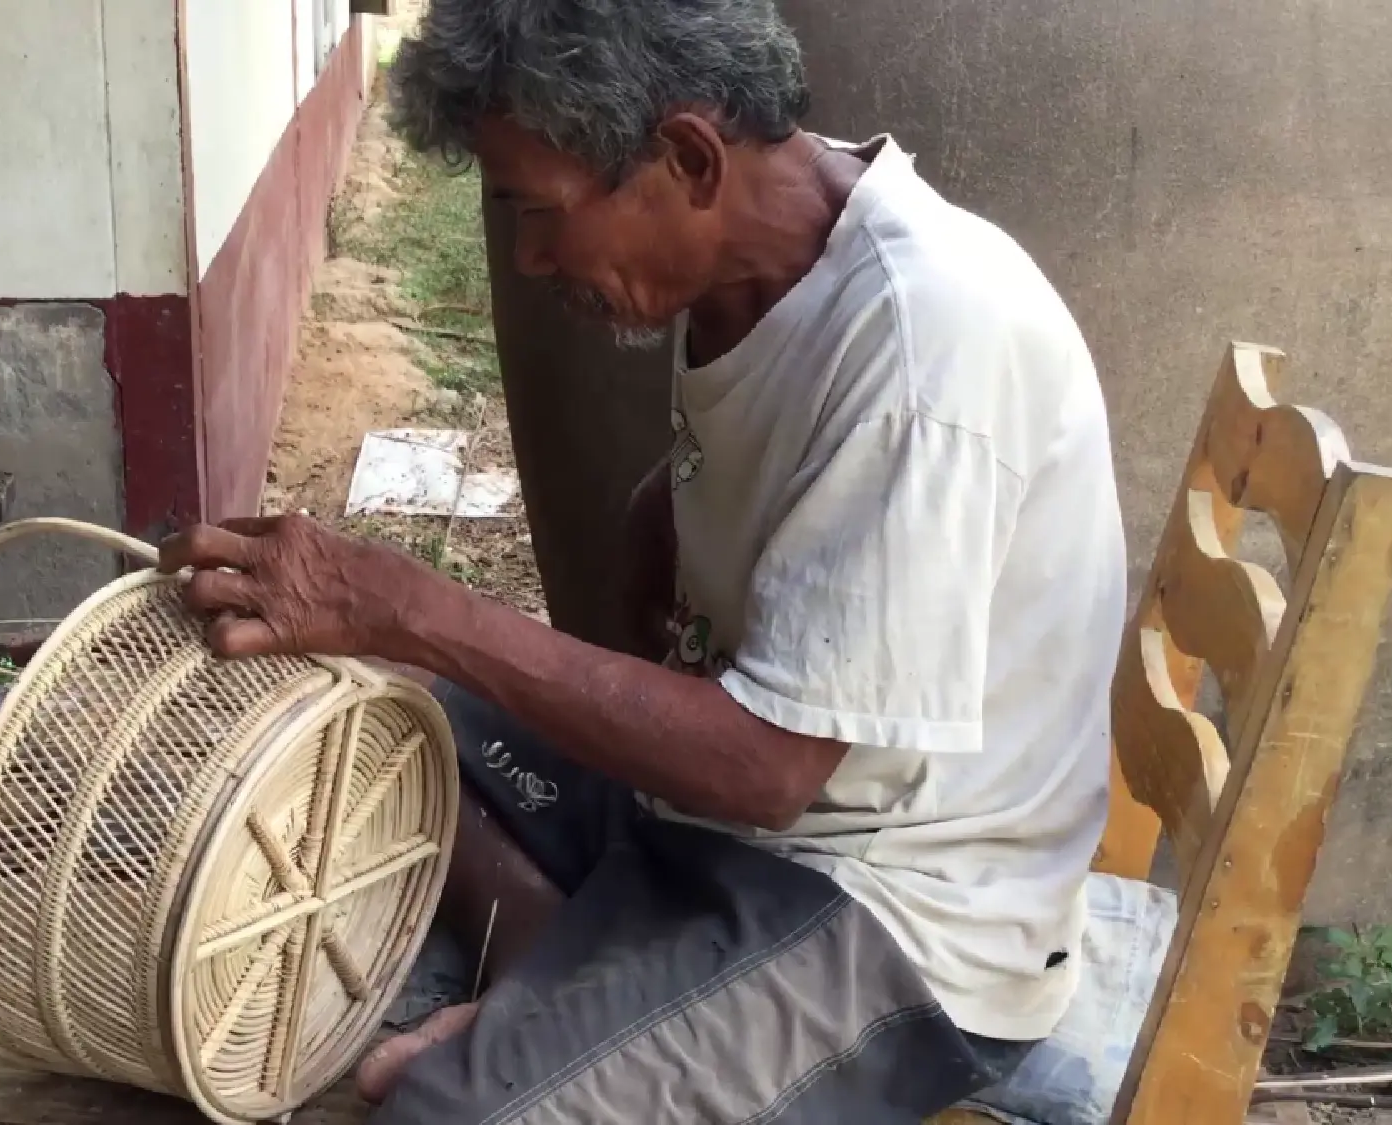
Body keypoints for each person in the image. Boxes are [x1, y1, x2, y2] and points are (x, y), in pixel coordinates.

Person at [156, 0, 1128, 1121]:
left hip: (897, 912)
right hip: (721, 830)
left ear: (685, 157)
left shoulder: (922, 344)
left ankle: (565, 1019)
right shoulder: (751, 266)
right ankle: (564, 989)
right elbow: (701, 501)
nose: (525, 256)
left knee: (437, 1113)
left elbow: (766, 771)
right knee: (367, 703)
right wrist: (624, 544)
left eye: (538, 210)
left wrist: (412, 604)